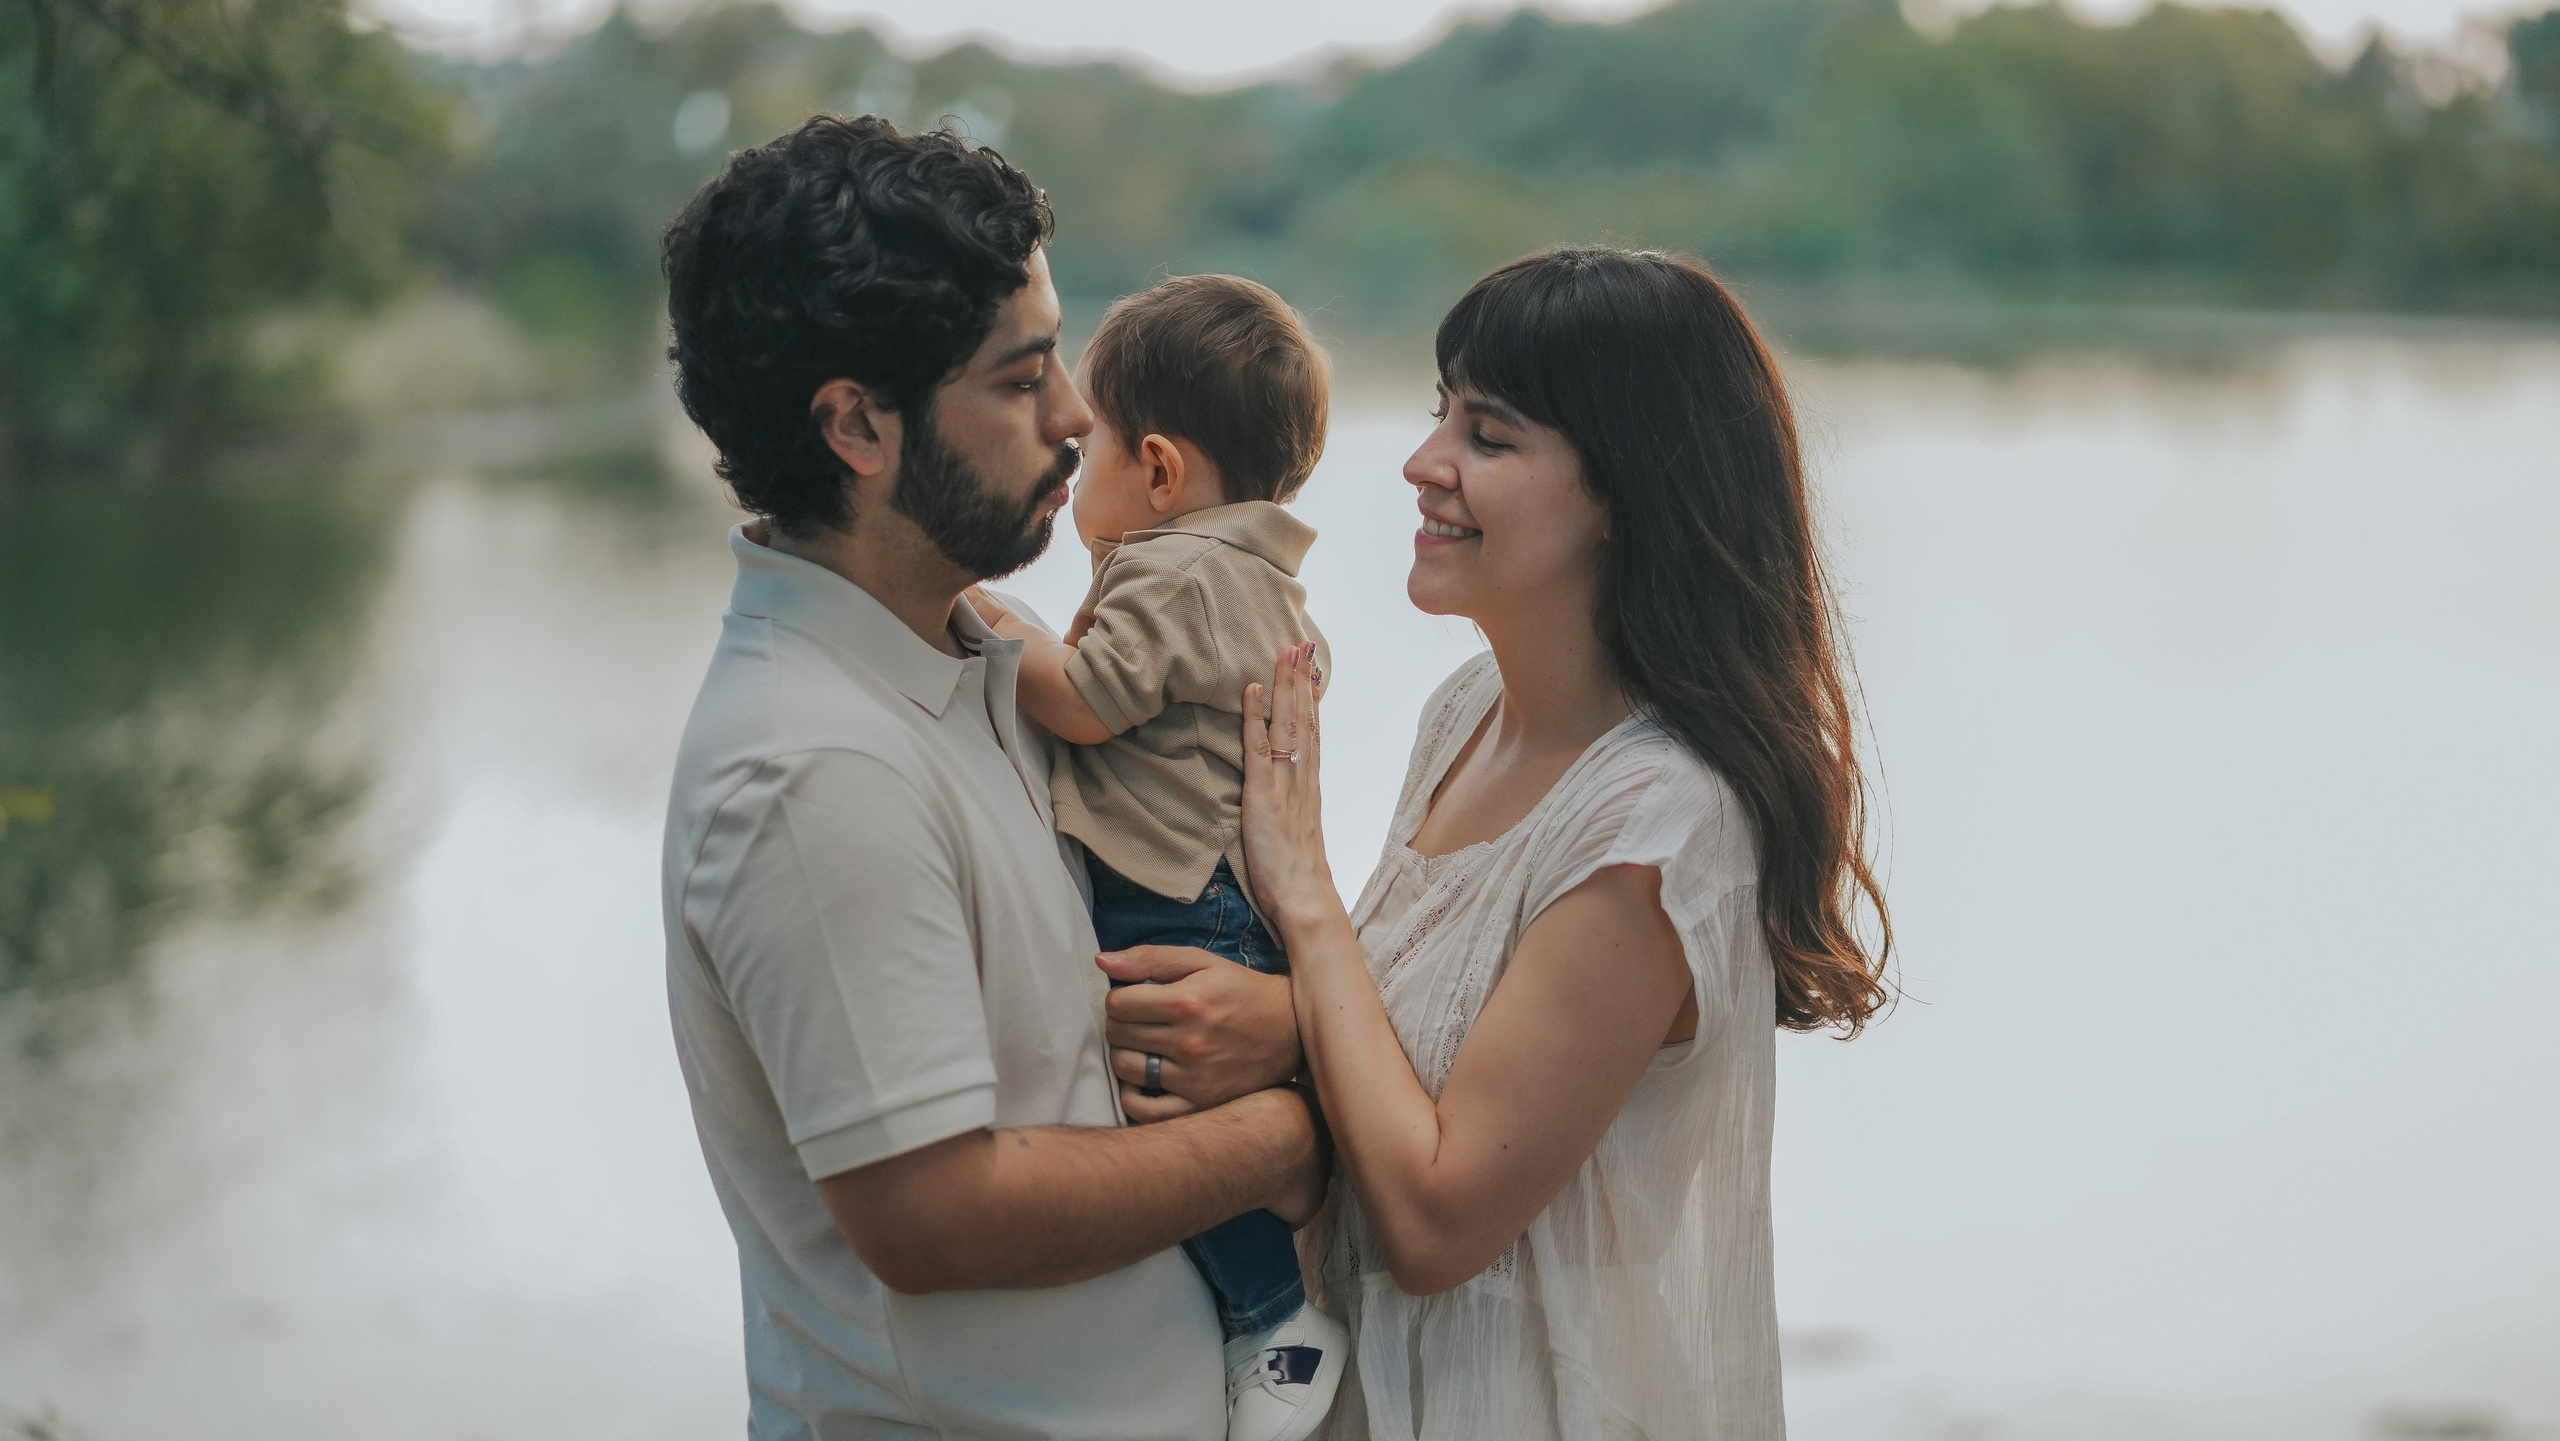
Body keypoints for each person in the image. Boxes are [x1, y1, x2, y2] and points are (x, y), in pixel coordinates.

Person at [1107, 247, 1893, 1440]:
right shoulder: (1465, 713)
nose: (1425, 465)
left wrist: (1303, 894)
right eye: (1440, 416)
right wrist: (1278, 1022)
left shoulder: (1654, 823)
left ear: (1630, 489)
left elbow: (1433, 1220)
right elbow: (1429, 1042)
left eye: (1491, 435)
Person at [656, 115, 1326, 1440]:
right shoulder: (812, 765)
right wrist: (1293, 1140)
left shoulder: (967, 658)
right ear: (856, 425)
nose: (1081, 416)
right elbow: (931, 1215)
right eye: (1023, 383)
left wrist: (1279, 1019)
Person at [968, 273, 1348, 1441]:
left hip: (1166, 899)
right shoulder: (1254, 577)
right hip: (1217, 894)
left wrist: (972, 616)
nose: (1073, 468)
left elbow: (1085, 701)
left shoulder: (1173, 568)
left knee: (1163, 1128)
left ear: (1164, 471)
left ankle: (1272, 1317)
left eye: (1097, 456)